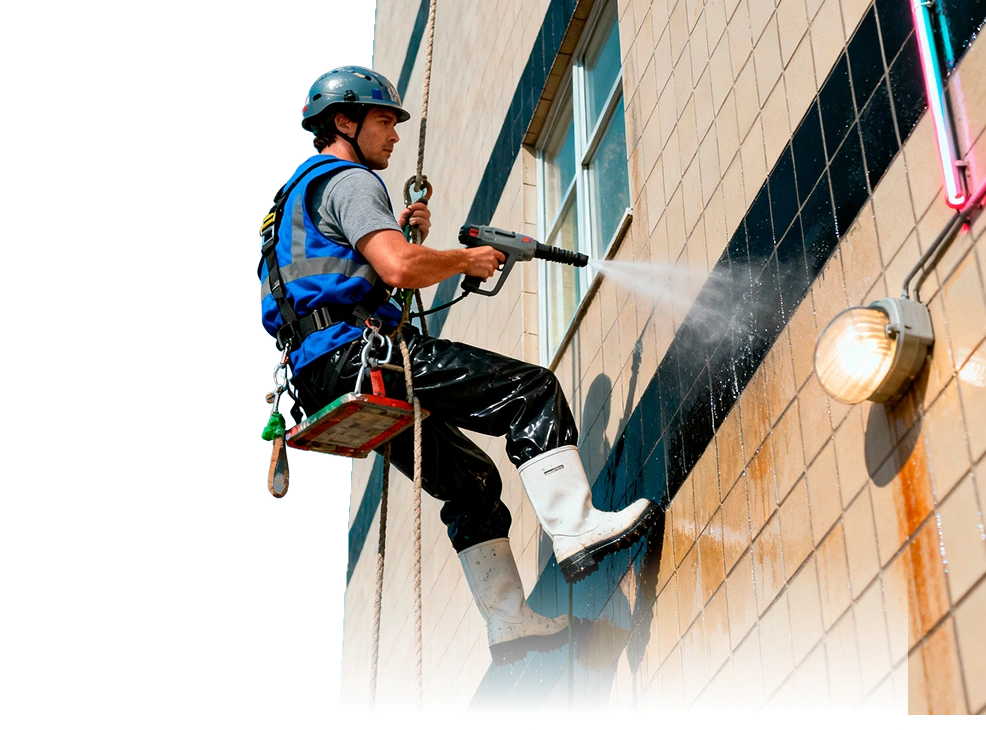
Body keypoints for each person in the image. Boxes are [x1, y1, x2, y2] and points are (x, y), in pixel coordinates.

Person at [258, 65, 659, 664]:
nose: (394, 135)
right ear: (344, 122)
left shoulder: (295, 197)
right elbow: (398, 269)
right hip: (361, 357)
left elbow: (347, 276)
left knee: (470, 481)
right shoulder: (349, 180)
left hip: (318, 377)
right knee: (531, 391)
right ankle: (575, 529)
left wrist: (402, 235)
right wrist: (463, 259)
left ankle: (507, 622)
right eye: (384, 120)